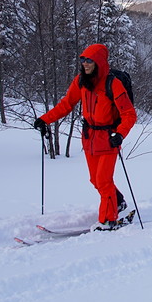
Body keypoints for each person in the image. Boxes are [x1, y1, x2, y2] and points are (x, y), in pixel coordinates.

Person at [34, 44, 137, 230]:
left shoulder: (112, 83)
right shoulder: (81, 81)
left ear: (98, 62)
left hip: (108, 138)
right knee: (95, 180)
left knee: (104, 181)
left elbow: (129, 114)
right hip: (89, 137)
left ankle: (108, 220)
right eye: (83, 60)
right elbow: (67, 104)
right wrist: (44, 120)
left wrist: (120, 134)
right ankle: (118, 202)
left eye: (89, 60)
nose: (85, 63)